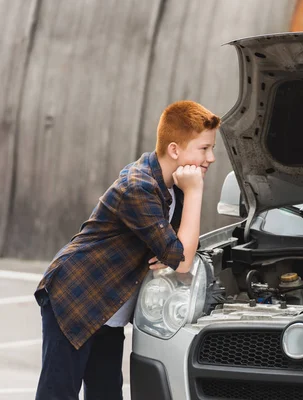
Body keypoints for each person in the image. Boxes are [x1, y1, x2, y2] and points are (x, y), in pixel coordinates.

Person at [34, 100, 219, 400]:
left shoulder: (171, 187)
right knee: (58, 394)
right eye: (204, 148)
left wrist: (173, 248)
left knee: (106, 394)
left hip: (109, 308)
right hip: (76, 297)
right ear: (174, 150)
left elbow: (180, 250)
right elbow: (182, 259)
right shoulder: (140, 187)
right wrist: (195, 193)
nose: (211, 158)